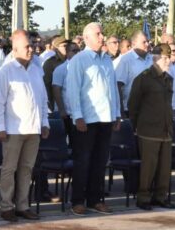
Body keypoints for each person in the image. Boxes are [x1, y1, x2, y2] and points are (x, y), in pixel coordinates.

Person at [0, 30, 50, 222]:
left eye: (32, 46)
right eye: (27, 46)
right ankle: (6, 206)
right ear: (15, 48)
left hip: (33, 129)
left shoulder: (35, 69)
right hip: (12, 129)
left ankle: (23, 205)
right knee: (9, 169)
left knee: (27, 168)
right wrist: (0, 126)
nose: (31, 50)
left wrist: (45, 122)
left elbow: (42, 99)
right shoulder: (6, 71)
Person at [66, 22, 121, 216]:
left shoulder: (106, 59)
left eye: (101, 33)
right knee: (83, 161)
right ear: (86, 38)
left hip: (105, 118)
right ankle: (78, 201)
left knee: (100, 162)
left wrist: (117, 114)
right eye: (97, 34)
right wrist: (78, 116)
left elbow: (113, 89)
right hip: (87, 119)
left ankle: (95, 199)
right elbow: (73, 90)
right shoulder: (79, 60)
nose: (101, 36)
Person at [128, 44, 175, 211]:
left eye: (169, 57)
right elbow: (133, 105)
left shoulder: (168, 78)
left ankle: (161, 196)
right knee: (148, 167)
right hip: (148, 129)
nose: (169, 60)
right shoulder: (144, 78)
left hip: (166, 129)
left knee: (164, 167)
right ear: (156, 58)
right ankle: (143, 197)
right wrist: (136, 126)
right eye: (165, 57)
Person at [115, 31, 152, 116]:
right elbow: (118, 85)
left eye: (148, 41)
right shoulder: (126, 60)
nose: (147, 44)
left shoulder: (152, 59)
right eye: (144, 42)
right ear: (134, 44)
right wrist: (120, 111)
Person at [52, 42, 80, 140]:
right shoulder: (61, 69)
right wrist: (62, 110)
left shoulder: (82, 68)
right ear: (67, 53)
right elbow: (56, 90)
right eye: (74, 51)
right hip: (66, 113)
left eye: (78, 51)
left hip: (78, 113)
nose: (77, 53)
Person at [42, 37, 69, 112]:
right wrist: (50, 105)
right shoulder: (50, 63)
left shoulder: (71, 60)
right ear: (56, 48)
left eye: (68, 46)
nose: (67, 48)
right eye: (64, 46)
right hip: (56, 105)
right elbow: (47, 85)